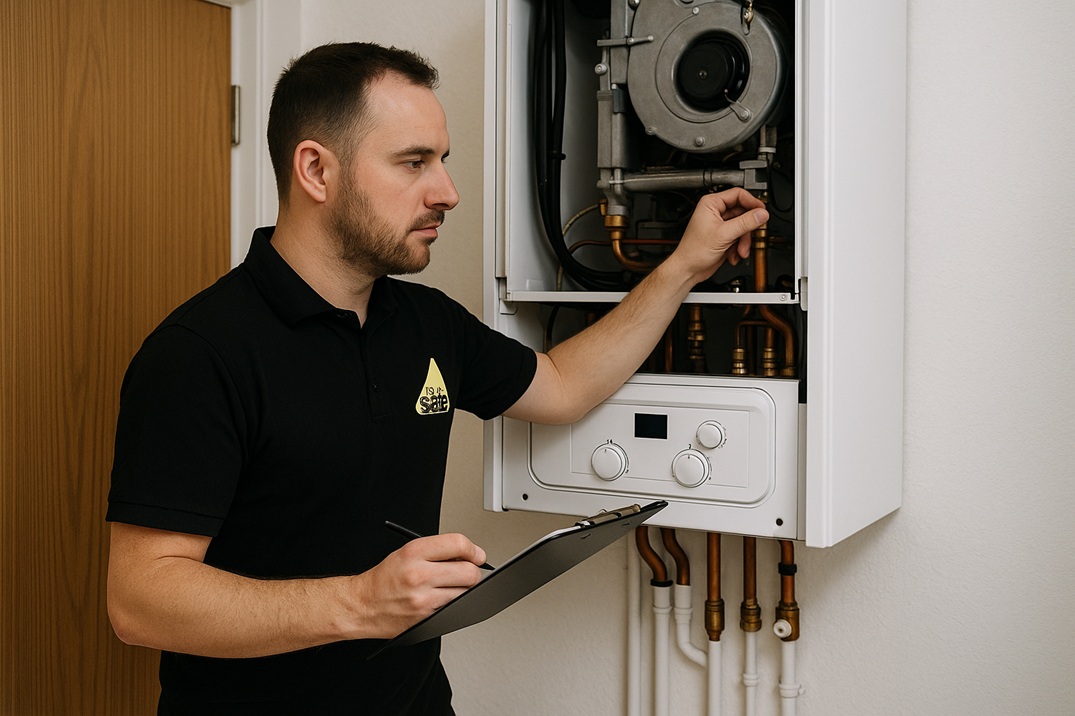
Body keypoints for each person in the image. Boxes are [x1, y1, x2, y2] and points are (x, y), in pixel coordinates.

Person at [105, 42, 767, 714]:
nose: (445, 192)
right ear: (315, 170)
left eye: (441, 160)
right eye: (413, 162)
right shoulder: (200, 352)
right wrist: (359, 603)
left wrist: (683, 266)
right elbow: (141, 601)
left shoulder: (424, 323)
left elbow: (562, 383)